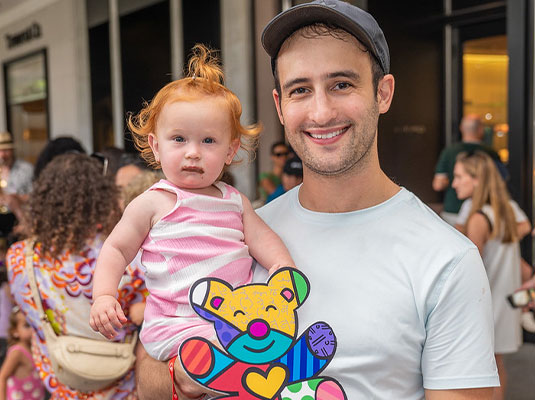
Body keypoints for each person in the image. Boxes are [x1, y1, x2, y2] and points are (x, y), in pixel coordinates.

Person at [134, 1, 498, 399]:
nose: (321, 112)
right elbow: (148, 374)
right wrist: (183, 379)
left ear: (383, 92)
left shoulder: (447, 260)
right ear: (280, 106)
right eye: (300, 90)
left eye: (341, 84)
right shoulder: (237, 230)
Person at [89, 44, 295, 366]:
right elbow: (115, 249)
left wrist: (282, 268)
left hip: (232, 317)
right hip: (176, 324)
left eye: (209, 141)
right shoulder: (153, 203)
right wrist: (104, 294)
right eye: (179, 139)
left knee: (262, 338)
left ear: (230, 150)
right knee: (238, 353)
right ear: (156, 147)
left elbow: (262, 239)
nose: (193, 152)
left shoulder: (234, 201)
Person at [6, 153, 145, 399]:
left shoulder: (20, 259)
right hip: (123, 381)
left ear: (44, 200)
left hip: (64, 384)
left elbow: (37, 321)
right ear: (101, 197)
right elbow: (140, 314)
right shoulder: (126, 256)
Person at [451, 151, 521, 400]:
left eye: (459, 176)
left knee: (484, 371)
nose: (454, 183)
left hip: (487, 305)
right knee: (495, 366)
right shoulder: (504, 211)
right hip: (504, 302)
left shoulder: (479, 218)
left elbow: (466, 271)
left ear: (477, 179)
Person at [433, 114, 503, 225]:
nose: (455, 184)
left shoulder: (449, 151)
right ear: (481, 129)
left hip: (453, 211)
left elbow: (438, 184)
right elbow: (501, 181)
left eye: (459, 177)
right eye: (456, 176)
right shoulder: (491, 153)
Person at [0, 308, 45, 400]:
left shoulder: (36, 349)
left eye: (35, 325)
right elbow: (2, 377)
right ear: (15, 332)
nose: (32, 330)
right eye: (27, 326)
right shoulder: (17, 352)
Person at [0, 132, 33, 240]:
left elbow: (35, 197)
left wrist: (18, 197)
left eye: (6, 150)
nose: (2, 155)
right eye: (0, 151)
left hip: (19, 217)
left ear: (12, 150)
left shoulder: (26, 169)